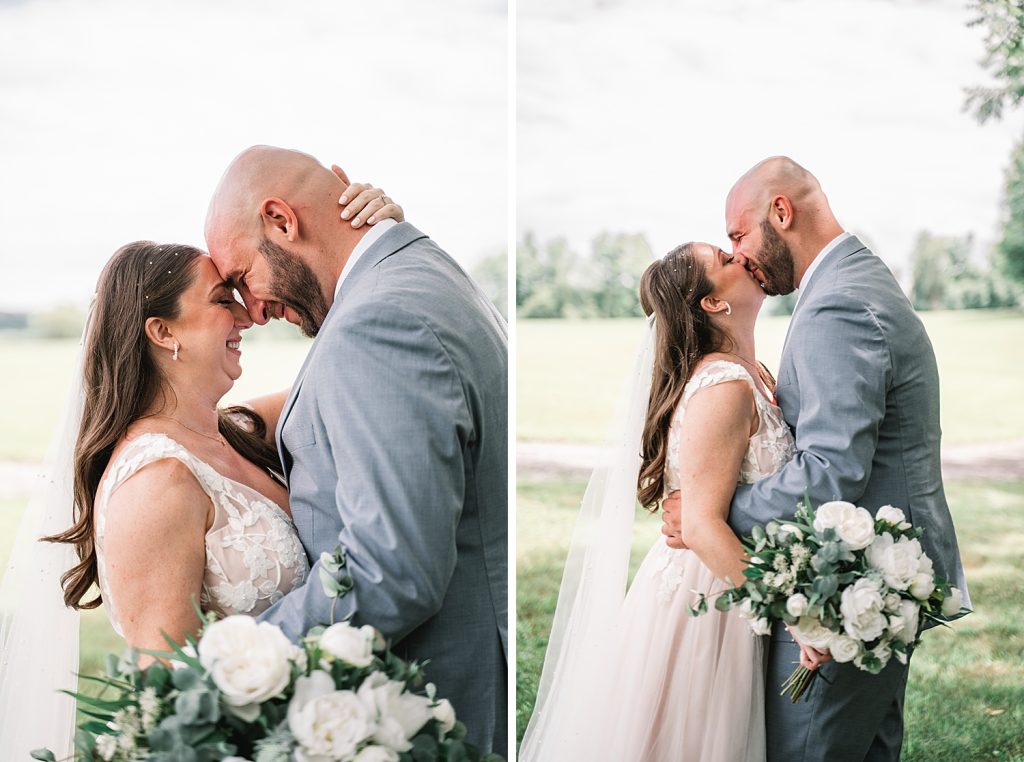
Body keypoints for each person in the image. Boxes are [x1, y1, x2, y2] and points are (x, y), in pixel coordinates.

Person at [0, 183, 402, 758]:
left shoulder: (234, 429)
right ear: (164, 333)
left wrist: (371, 242)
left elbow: (351, 363)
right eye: (221, 299)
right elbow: (172, 701)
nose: (246, 314)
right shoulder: (156, 484)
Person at [662, 156, 970, 761]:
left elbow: (829, 472)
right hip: (878, 574)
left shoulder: (837, 305)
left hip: (853, 580)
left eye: (737, 236)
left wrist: (711, 513)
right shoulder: (852, 281)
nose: (740, 253)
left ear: (781, 213)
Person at [204, 146, 508, 754]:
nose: (254, 312)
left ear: (283, 220)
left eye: (242, 278)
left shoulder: (376, 321)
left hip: (440, 701)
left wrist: (233, 667)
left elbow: (390, 571)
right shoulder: (421, 268)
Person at [520, 240, 796, 761]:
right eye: (725, 258)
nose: (742, 257)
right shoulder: (724, 385)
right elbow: (700, 525)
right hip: (709, 597)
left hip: (721, 580)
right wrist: (797, 613)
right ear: (713, 303)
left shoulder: (752, 374)